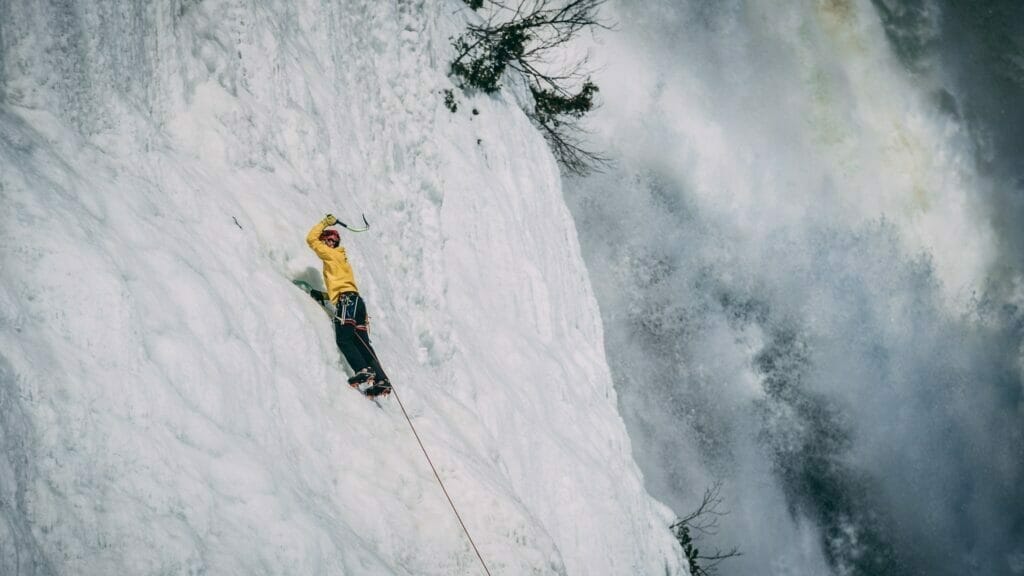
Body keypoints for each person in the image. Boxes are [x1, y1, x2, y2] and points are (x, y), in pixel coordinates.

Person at [306, 214, 391, 397]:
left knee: (344, 339)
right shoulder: (341, 259)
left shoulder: (330, 254)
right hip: (357, 303)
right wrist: (324, 295)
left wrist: (324, 222)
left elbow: (310, 239)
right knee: (362, 343)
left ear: (329, 241)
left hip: (346, 301)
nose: (323, 244)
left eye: (326, 240)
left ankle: (362, 370)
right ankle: (381, 380)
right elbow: (341, 284)